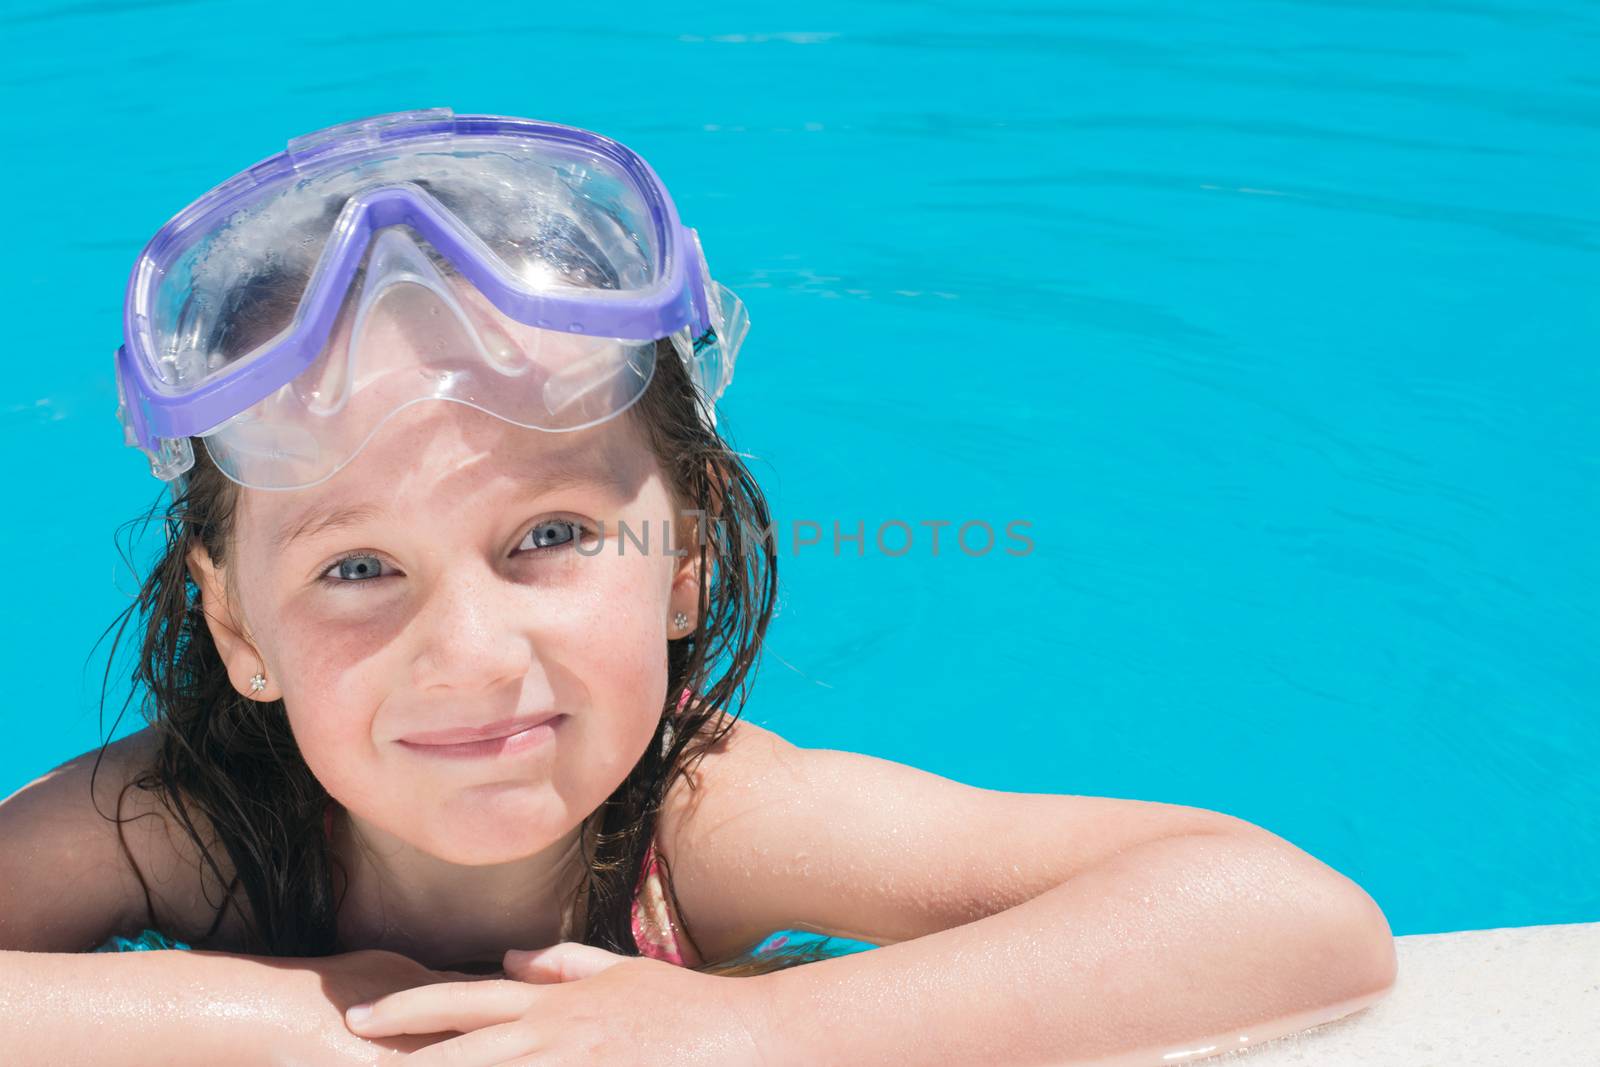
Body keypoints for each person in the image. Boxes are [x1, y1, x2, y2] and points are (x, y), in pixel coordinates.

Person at [0, 108, 1396, 1066]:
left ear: (690, 565)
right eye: (359, 568)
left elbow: (1292, 918)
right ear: (239, 626)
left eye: (547, 537)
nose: (472, 657)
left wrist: (757, 1035)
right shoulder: (182, 827)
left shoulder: (710, 825)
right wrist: (302, 1020)